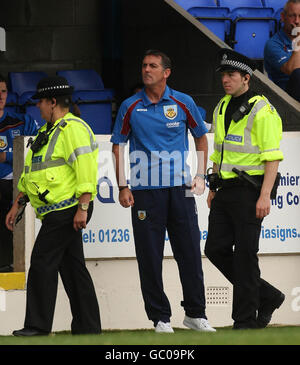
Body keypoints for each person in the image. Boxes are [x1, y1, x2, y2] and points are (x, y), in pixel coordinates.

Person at [111, 49, 215, 333]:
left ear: (166, 72)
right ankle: (160, 318)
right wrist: (123, 185)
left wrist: (200, 176)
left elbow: (201, 140)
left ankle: (196, 314)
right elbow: (117, 146)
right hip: (145, 192)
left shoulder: (184, 102)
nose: (146, 70)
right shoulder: (130, 106)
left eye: (153, 66)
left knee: (190, 252)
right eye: (144, 65)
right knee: (149, 256)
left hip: (180, 189)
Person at [6, 76, 101, 336]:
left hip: (68, 207)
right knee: (72, 269)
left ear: (53, 102)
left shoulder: (72, 129)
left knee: (41, 262)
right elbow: (32, 173)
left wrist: (83, 206)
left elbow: (86, 169)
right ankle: (88, 327)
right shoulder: (46, 131)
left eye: (41, 102)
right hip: (60, 210)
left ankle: (37, 326)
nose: (38, 107)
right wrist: (19, 203)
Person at [204, 48, 285, 330]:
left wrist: (265, 195)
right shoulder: (222, 106)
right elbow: (218, 153)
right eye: (224, 75)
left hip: (250, 192)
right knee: (215, 249)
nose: (225, 79)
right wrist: (213, 186)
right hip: (225, 191)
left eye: (231, 75)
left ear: (246, 78)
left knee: (245, 254)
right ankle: (268, 296)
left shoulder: (263, 110)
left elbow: (272, 157)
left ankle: (244, 320)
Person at [0, 73, 38, 272]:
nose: (1, 96)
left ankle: (9, 264)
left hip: (14, 184)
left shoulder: (21, 121)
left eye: (4, 91)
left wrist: (6, 156)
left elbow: (36, 149)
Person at [264, 0, 300, 101]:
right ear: (283, 17)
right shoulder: (273, 44)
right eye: (292, 16)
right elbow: (292, 71)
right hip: (285, 98)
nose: (297, 21)